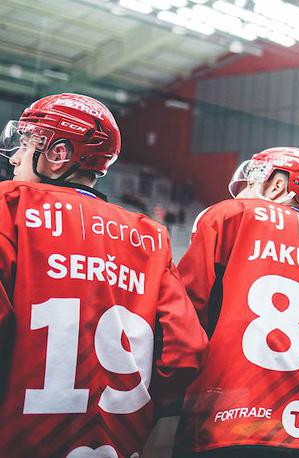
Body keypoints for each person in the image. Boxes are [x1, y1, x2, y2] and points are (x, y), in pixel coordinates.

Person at [0, 93, 208, 457]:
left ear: (58, 154)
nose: (15, 157)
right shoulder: (150, 235)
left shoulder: (9, 204)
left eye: (27, 143)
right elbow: (184, 351)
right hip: (118, 442)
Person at [174, 147, 299, 457]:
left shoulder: (230, 215)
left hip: (233, 423)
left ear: (277, 185)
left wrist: (165, 394)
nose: (242, 194)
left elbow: (185, 317)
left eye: (249, 184)